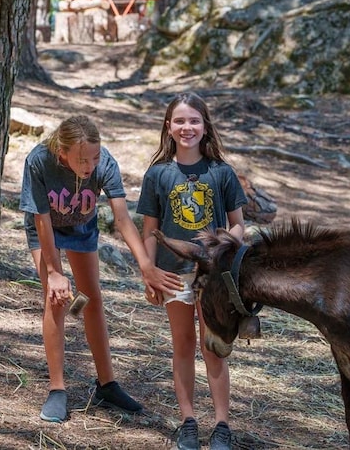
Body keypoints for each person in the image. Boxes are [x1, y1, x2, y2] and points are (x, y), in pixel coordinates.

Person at [20, 115, 151, 423]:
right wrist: (54, 271)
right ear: (62, 152)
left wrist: (145, 264)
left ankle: (107, 384)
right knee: (56, 299)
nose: (90, 165)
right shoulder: (39, 161)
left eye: (94, 156)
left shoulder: (105, 163)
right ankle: (57, 389)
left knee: (91, 299)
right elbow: (41, 221)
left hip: (81, 226)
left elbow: (121, 219)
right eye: (82, 159)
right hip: (47, 229)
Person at [137, 93, 248, 450]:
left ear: (205, 127)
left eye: (194, 121)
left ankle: (221, 426)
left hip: (212, 278)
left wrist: (221, 250)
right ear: (168, 127)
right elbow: (150, 228)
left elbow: (239, 226)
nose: (187, 127)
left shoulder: (221, 172)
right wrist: (148, 272)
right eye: (180, 121)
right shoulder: (157, 174)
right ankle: (188, 421)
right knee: (182, 344)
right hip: (172, 275)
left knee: (212, 346)